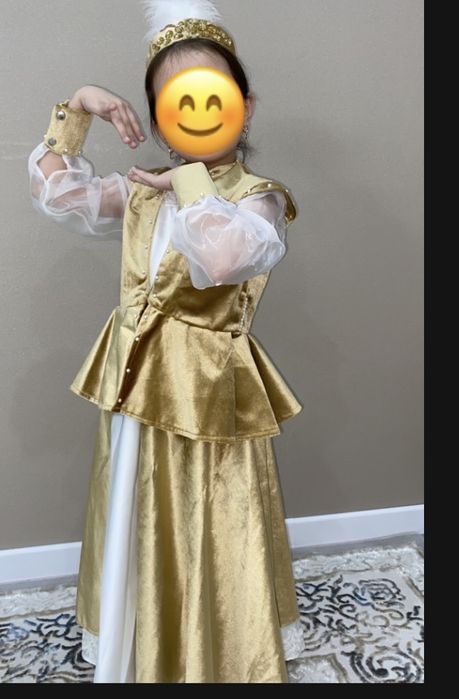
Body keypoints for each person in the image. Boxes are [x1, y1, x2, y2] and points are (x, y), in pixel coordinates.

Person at [27, 0, 305, 683]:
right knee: (132, 505)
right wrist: (77, 110)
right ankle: (138, 640)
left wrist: (184, 184)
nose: (197, 112)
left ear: (243, 107)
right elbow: (59, 194)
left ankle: (216, 648)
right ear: (158, 119)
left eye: (213, 94)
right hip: (135, 382)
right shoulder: (145, 192)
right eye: (175, 101)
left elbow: (224, 257)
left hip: (207, 395)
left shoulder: (257, 197)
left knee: (211, 515)